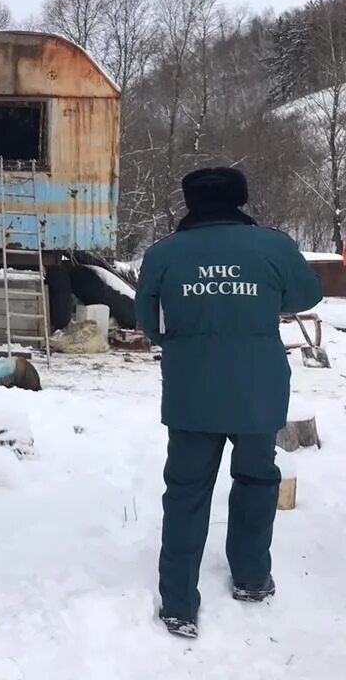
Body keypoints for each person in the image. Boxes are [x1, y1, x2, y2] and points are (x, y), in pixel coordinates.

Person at [135, 166, 323, 640]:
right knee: (258, 480)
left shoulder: (162, 255)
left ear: (189, 202)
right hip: (257, 389)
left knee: (186, 491)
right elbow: (306, 294)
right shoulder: (274, 246)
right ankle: (252, 578)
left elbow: (151, 324)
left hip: (191, 391)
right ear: (240, 199)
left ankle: (178, 603)